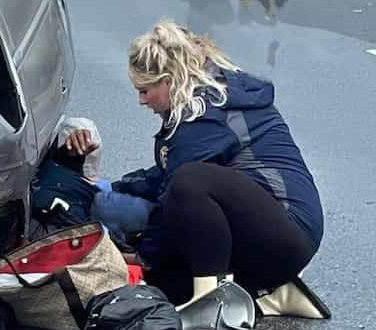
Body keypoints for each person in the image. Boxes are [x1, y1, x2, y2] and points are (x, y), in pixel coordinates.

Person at [104, 20, 323, 308]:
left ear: (169, 81)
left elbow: (177, 187)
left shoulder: (204, 112)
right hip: (274, 231)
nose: (141, 100)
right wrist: (116, 188)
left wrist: (144, 256)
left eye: (145, 90)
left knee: (189, 182)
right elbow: (165, 177)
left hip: (288, 231)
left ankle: (211, 302)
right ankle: (270, 291)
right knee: (164, 284)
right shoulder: (210, 98)